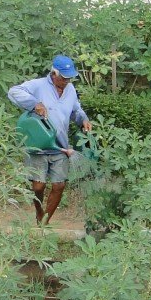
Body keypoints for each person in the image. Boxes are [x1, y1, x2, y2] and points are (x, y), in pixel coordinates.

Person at [8, 55, 92, 224]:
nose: (67, 81)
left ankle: (45, 221)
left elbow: (76, 111)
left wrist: (83, 119)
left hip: (60, 146)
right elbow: (13, 92)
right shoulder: (38, 85)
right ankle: (39, 211)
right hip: (38, 145)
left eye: (69, 78)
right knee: (38, 186)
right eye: (64, 78)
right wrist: (34, 103)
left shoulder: (70, 90)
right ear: (54, 74)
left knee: (59, 186)